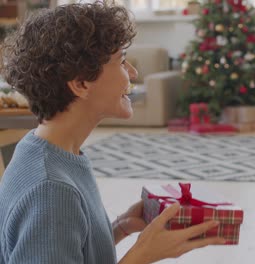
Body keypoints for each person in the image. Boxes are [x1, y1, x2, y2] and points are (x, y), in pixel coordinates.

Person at [0, 2, 225, 264]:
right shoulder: (52, 190)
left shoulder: (46, 150)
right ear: (81, 84)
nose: (133, 72)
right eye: (122, 61)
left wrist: (118, 228)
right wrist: (142, 255)